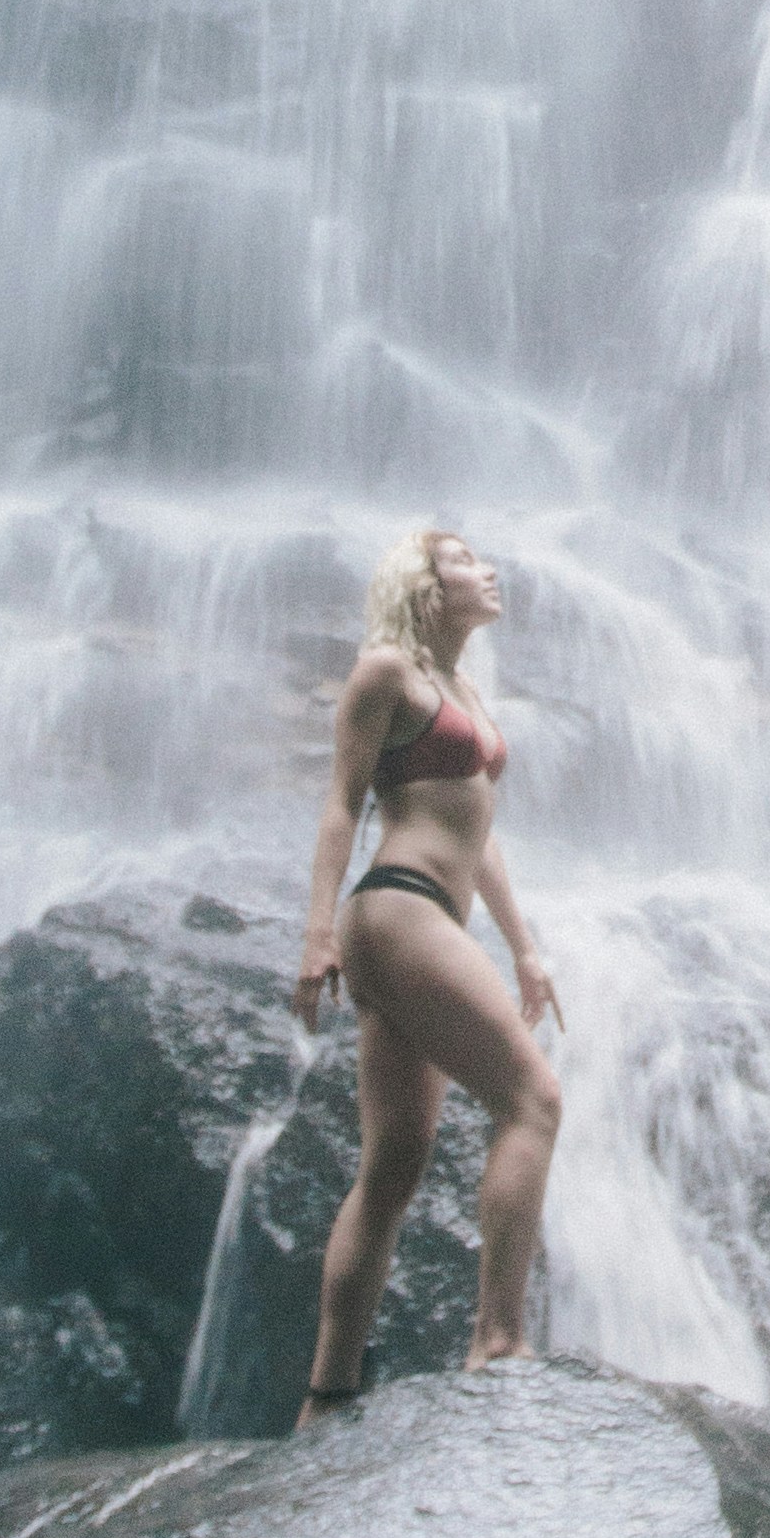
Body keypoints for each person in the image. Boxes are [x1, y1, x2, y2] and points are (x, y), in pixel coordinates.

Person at [290, 523, 563, 1413]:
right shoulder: (385, 674)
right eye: (465, 561)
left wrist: (523, 949)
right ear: (423, 585)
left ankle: (326, 1392)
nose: (489, 569)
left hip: (433, 917)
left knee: (395, 1165)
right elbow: (340, 804)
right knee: (534, 1101)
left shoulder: (465, 691)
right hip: (396, 908)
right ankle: (498, 1338)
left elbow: (478, 839)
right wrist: (316, 935)